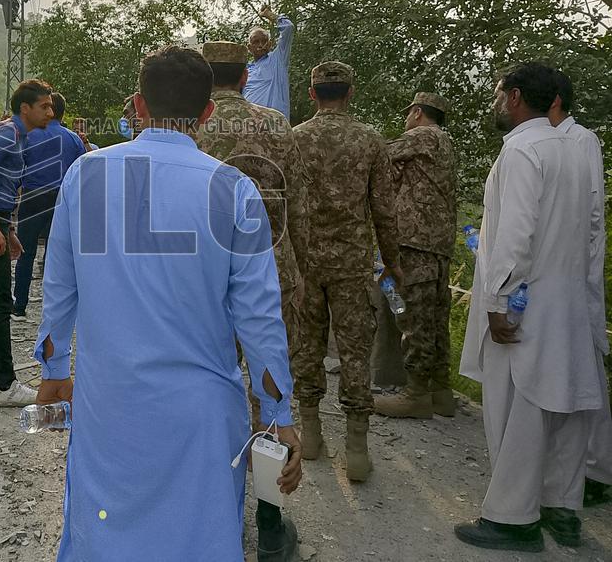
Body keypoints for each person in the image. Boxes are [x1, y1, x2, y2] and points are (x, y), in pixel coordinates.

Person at [34, 46, 302, 561]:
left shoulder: (85, 177)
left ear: (137, 106)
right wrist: (277, 414)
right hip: (199, 414)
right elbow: (260, 316)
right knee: (198, 537)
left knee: (103, 532)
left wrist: (53, 370)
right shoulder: (233, 189)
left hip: (108, 404)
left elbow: (59, 288)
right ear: (206, 114)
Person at [455, 64, 602, 552]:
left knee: (519, 410)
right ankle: (562, 509)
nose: (496, 103)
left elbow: (517, 233)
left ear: (516, 96)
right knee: (563, 406)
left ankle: (512, 519)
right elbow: (590, 231)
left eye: (499, 94)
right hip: (567, 298)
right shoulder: (577, 148)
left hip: (525, 303)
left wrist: (498, 301)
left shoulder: (521, 149)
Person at [194, 40, 308, 560]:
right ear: (245, 77)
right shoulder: (279, 126)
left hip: (208, 279)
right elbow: (299, 202)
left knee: (209, 388)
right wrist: (299, 267)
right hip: (272, 272)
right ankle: (269, 519)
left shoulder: (192, 128)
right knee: (268, 394)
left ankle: (205, 506)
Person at [291, 61, 401, 482]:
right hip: (353, 264)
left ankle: (312, 434)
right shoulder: (371, 140)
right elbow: (384, 210)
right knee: (355, 350)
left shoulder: (295, 138)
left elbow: (286, 205)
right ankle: (356, 448)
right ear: (350, 93)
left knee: (307, 344)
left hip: (307, 263)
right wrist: (392, 262)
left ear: (312, 92)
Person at [0, 80, 53, 408]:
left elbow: (4, 186)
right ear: (25, 108)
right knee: (1, 303)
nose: (50, 111)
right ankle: (7, 385)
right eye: (44, 106)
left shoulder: (18, 135)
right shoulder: (6, 133)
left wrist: (8, 228)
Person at [547, 70, 611, 508]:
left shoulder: (581, 139)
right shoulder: (545, 143)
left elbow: (589, 215)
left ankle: (596, 467)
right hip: (560, 271)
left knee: (585, 369)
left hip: (574, 270)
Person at [374, 93, 458, 419]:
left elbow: (380, 155)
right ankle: (441, 389)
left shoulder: (421, 136)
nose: (406, 120)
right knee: (436, 316)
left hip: (415, 241)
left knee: (411, 315)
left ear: (418, 112)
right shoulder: (445, 143)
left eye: (409, 114)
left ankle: (416, 393)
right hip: (438, 242)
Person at [12, 92, 86, 322]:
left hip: (33, 197)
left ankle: (20, 305)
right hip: (63, 198)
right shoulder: (73, 139)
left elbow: (16, 168)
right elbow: (83, 170)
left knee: (26, 252)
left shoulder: (29, 136)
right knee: (65, 253)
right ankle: (67, 307)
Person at [243, 6, 295, 118]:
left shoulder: (278, 59)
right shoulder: (246, 70)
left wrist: (269, 15)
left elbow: (288, 28)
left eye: (264, 41)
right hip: (250, 127)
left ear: (270, 44)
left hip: (275, 127)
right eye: (256, 42)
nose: (260, 45)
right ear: (249, 47)